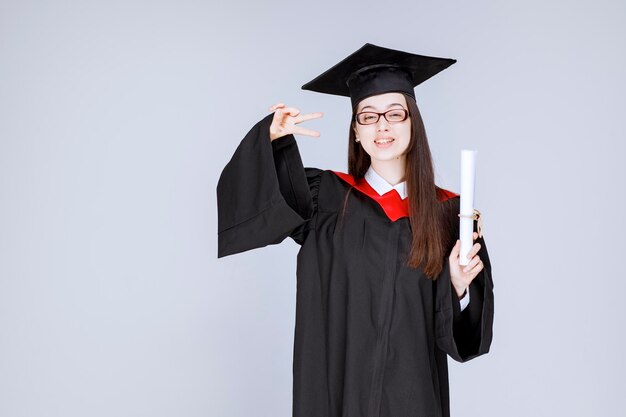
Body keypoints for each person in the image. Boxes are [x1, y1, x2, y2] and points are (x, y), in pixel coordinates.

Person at [217, 43, 494, 417]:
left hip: (410, 395)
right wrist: (270, 140)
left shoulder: (449, 213)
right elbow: (254, 210)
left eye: (395, 114)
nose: (382, 125)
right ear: (356, 132)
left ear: (413, 123)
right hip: (335, 389)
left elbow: (456, 337)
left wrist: (455, 286)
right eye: (368, 116)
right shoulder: (324, 199)